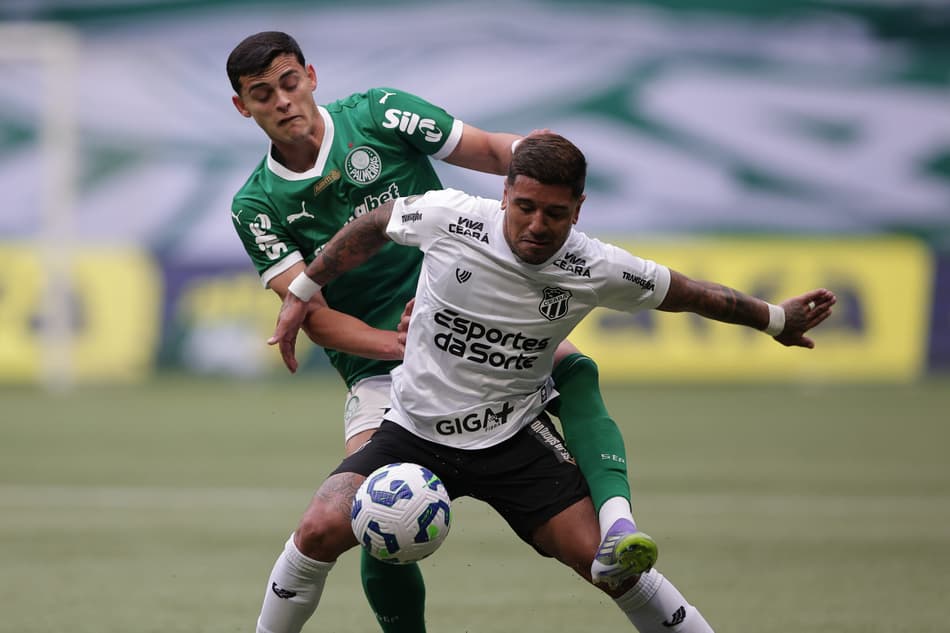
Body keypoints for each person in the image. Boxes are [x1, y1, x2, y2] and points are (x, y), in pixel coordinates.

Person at [266, 133, 837, 632]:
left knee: (610, 566)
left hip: (512, 438)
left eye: (555, 214)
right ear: (506, 193)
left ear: (579, 209)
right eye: (525, 207)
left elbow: (691, 293)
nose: (537, 226)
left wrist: (777, 320)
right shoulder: (451, 216)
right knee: (317, 528)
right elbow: (373, 223)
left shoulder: (597, 267)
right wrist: (302, 292)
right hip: (412, 430)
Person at [227, 32, 653, 633]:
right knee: (375, 513)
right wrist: (403, 343)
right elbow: (313, 317)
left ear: (312, 76)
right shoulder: (257, 204)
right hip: (384, 370)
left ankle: (617, 523)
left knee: (574, 363)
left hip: (476, 314)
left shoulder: (378, 113)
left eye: (289, 82)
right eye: (262, 94)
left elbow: (488, 148)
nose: (282, 101)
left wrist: (554, 169)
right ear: (244, 107)